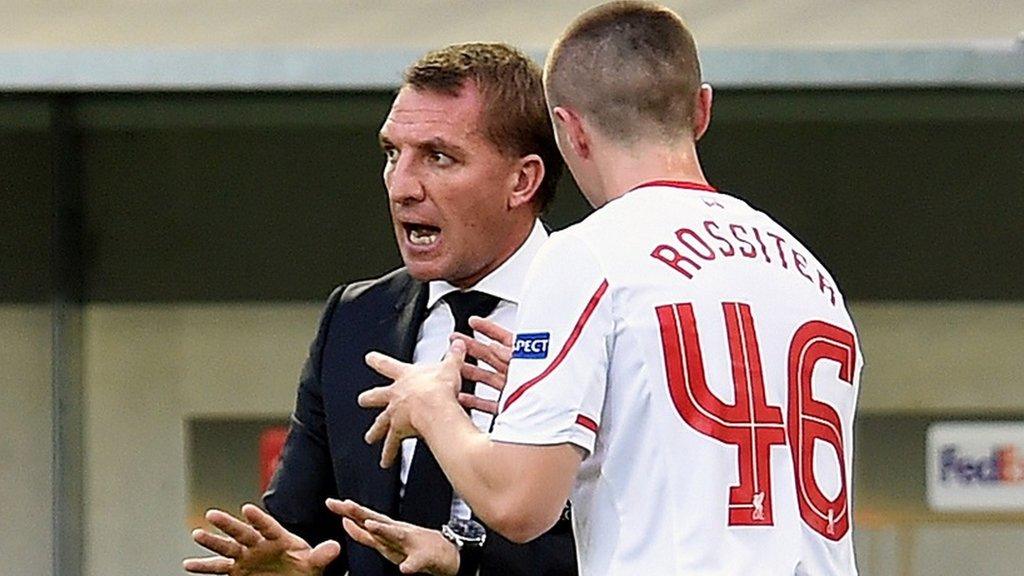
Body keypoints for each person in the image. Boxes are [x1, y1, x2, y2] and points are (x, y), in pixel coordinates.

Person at [353, 2, 863, 575]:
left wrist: (431, 405)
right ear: (702, 111)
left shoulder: (586, 254)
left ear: (567, 129)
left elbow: (519, 505)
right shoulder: (806, 270)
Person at [183, 42, 577, 576]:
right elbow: (300, 527)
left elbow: (632, 539)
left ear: (522, 180)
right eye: (393, 154)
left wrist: (464, 562)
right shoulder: (356, 317)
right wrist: (288, 566)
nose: (401, 187)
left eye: (438, 157)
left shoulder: (598, 316)